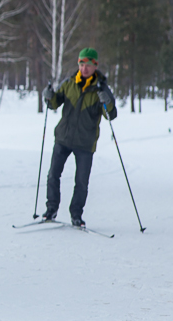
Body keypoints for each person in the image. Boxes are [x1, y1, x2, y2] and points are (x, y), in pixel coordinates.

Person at [41, 48, 117, 227]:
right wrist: (49, 96)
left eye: (88, 65)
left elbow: (111, 115)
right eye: (81, 64)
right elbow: (55, 104)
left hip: (85, 143)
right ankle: (51, 209)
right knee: (53, 175)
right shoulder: (69, 84)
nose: (84, 68)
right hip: (63, 138)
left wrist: (107, 101)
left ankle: (76, 215)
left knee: (81, 182)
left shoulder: (101, 89)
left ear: (95, 66)